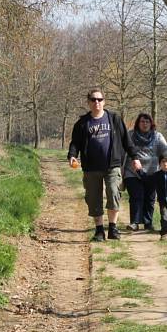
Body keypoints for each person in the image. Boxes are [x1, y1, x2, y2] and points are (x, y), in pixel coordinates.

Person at [68, 88, 142, 242]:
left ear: (104, 101)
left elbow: (127, 141)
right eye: (94, 100)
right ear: (88, 102)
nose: (97, 103)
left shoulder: (114, 119)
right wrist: (72, 156)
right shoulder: (82, 123)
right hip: (91, 168)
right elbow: (75, 143)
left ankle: (113, 228)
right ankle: (99, 230)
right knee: (93, 199)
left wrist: (135, 157)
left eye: (100, 100)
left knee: (114, 193)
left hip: (112, 166)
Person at [122, 113, 167, 231]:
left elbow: (165, 151)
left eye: (147, 122)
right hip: (132, 171)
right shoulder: (130, 135)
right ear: (138, 123)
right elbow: (122, 150)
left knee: (150, 198)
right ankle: (134, 222)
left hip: (152, 173)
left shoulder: (158, 136)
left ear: (151, 123)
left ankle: (148, 223)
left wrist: (166, 165)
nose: (145, 124)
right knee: (136, 196)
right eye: (142, 122)